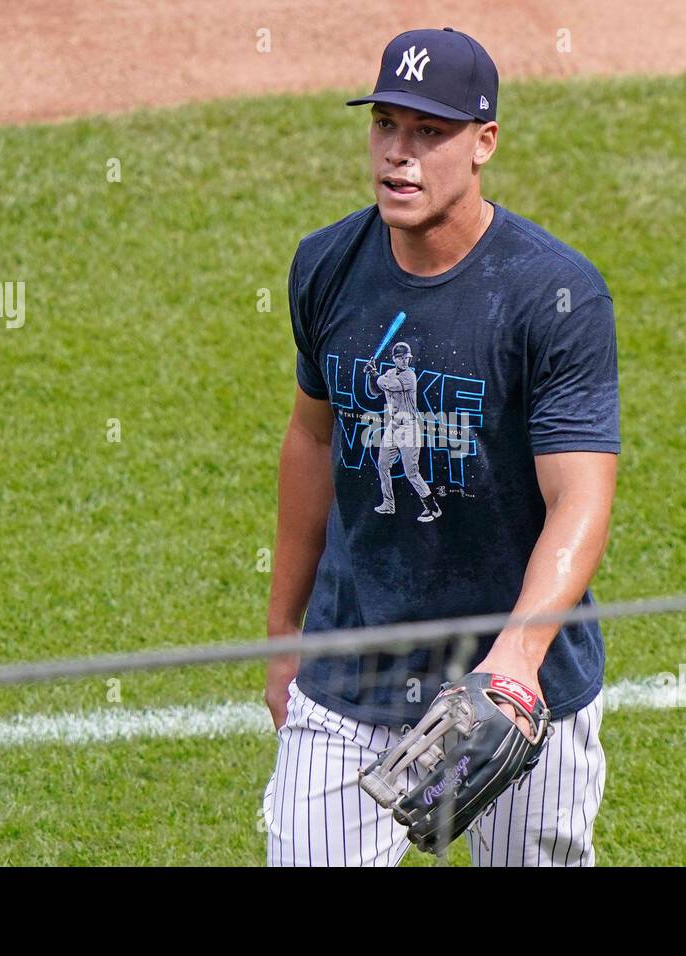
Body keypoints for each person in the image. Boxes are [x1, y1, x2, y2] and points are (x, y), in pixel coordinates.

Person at [263, 27, 620, 866]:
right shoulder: (326, 265)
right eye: (386, 125)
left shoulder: (555, 295)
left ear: (484, 142)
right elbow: (312, 439)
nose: (399, 154)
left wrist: (517, 662)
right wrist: (283, 635)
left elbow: (581, 494)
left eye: (430, 132)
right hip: (354, 674)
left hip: (520, 688)